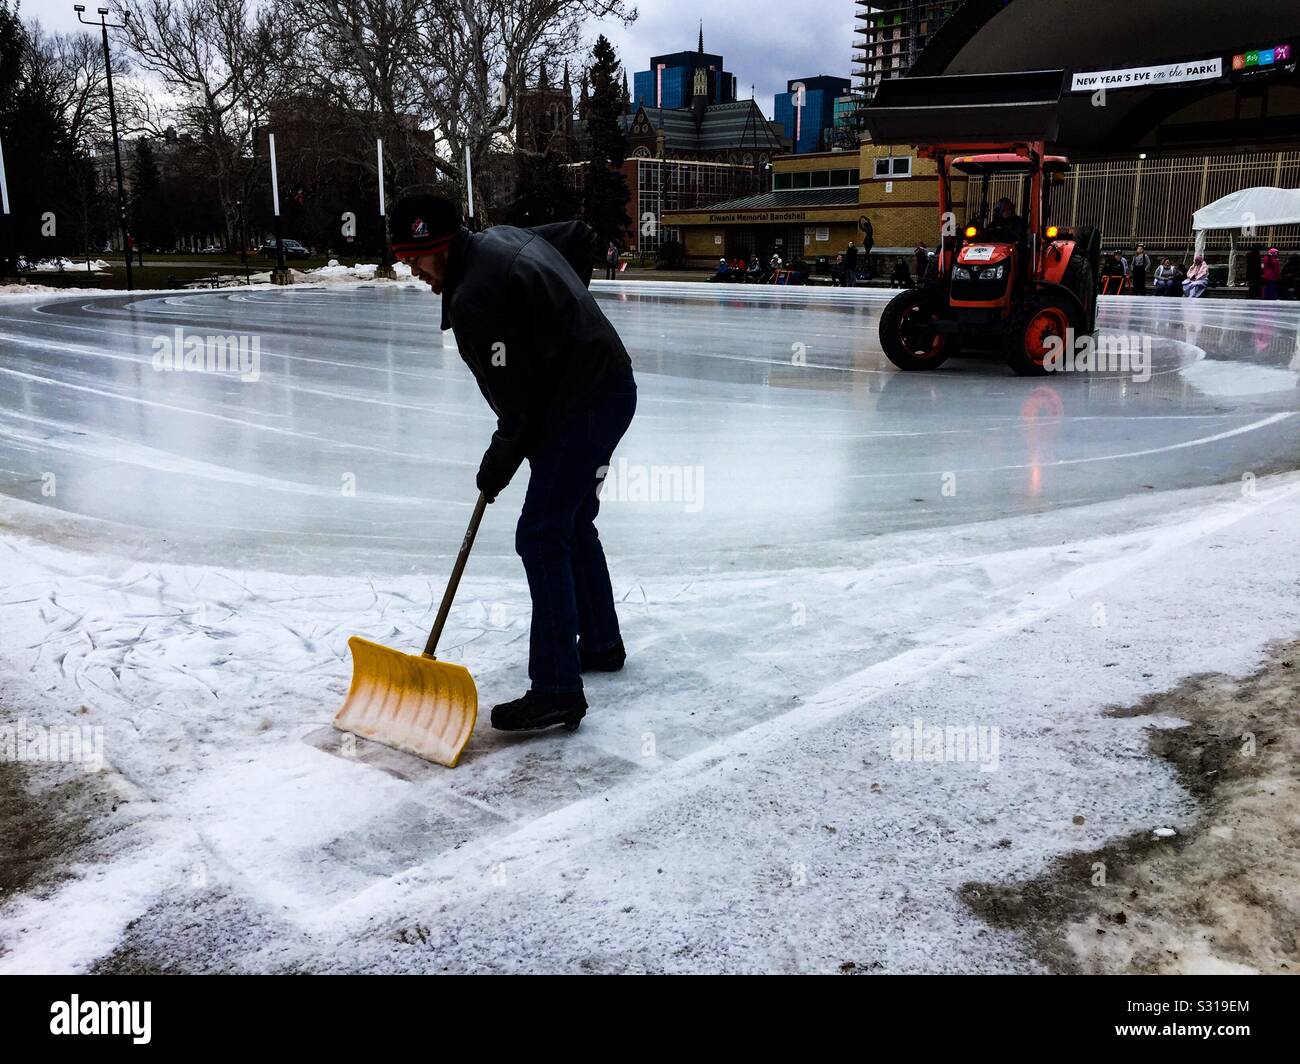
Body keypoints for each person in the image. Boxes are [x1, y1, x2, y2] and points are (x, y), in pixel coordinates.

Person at [390, 192, 636, 733]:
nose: (411, 268)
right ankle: (599, 644)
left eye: (416, 256)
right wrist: (563, 323)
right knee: (571, 523)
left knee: (541, 535)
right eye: (405, 258)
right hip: (610, 386)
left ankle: (556, 689)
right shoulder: (498, 238)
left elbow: (517, 408)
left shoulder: (474, 298)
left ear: (443, 245)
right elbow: (578, 235)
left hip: (584, 403)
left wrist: (495, 466)